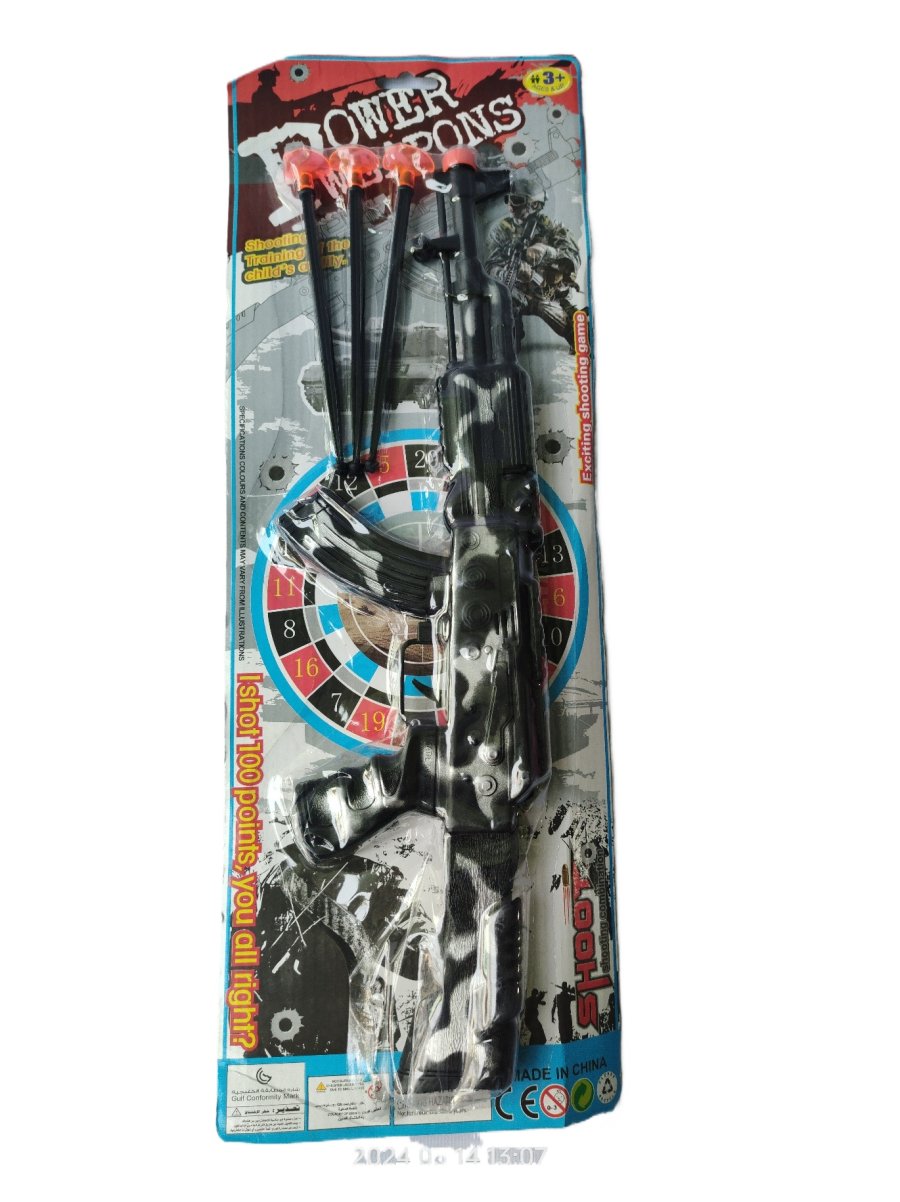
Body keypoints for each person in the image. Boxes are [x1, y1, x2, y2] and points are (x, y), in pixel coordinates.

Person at [486, 176, 581, 351]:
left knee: (569, 325)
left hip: (546, 292)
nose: (510, 206)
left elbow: (572, 257)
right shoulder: (500, 230)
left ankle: (576, 338)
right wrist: (507, 274)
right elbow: (491, 267)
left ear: (535, 205)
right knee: (503, 308)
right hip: (515, 291)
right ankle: (509, 347)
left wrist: (547, 252)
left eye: (517, 200)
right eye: (508, 199)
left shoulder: (551, 227)